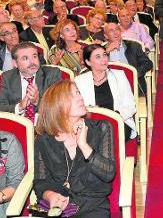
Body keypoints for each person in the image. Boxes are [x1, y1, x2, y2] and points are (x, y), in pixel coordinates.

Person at [33, 79, 115, 217]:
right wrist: (50, 195)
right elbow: (40, 182)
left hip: (92, 207)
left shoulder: (100, 128)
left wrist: (83, 145)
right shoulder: (43, 141)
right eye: (72, 95)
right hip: (57, 207)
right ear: (57, 106)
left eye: (78, 93)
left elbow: (108, 174)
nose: (80, 98)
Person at [74, 44, 138, 140]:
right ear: (88, 62)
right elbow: (76, 108)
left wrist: (114, 116)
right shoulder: (79, 81)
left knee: (105, 136)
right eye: (98, 57)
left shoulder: (119, 76)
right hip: (92, 124)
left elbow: (130, 105)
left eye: (104, 55)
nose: (104, 59)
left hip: (119, 122)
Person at [0, 42, 61, 123]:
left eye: (34, 56)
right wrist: (20, 107)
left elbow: (59, 106)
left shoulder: (51, 74)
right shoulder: (8, 77)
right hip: (19, 126)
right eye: (25, 58)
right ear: (15, 63)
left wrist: (38, 101)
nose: (32, 62)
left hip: (45, 125)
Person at [103, 22, 153, 96]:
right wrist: (106, 51)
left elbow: (148, 63)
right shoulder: (100, 50)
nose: (115, 33)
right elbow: (93, 68)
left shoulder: (133, 46)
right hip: (109, 86)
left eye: (117, 29)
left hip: (131, 84)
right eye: (111, 31)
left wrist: (134, 74)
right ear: (106, 36)